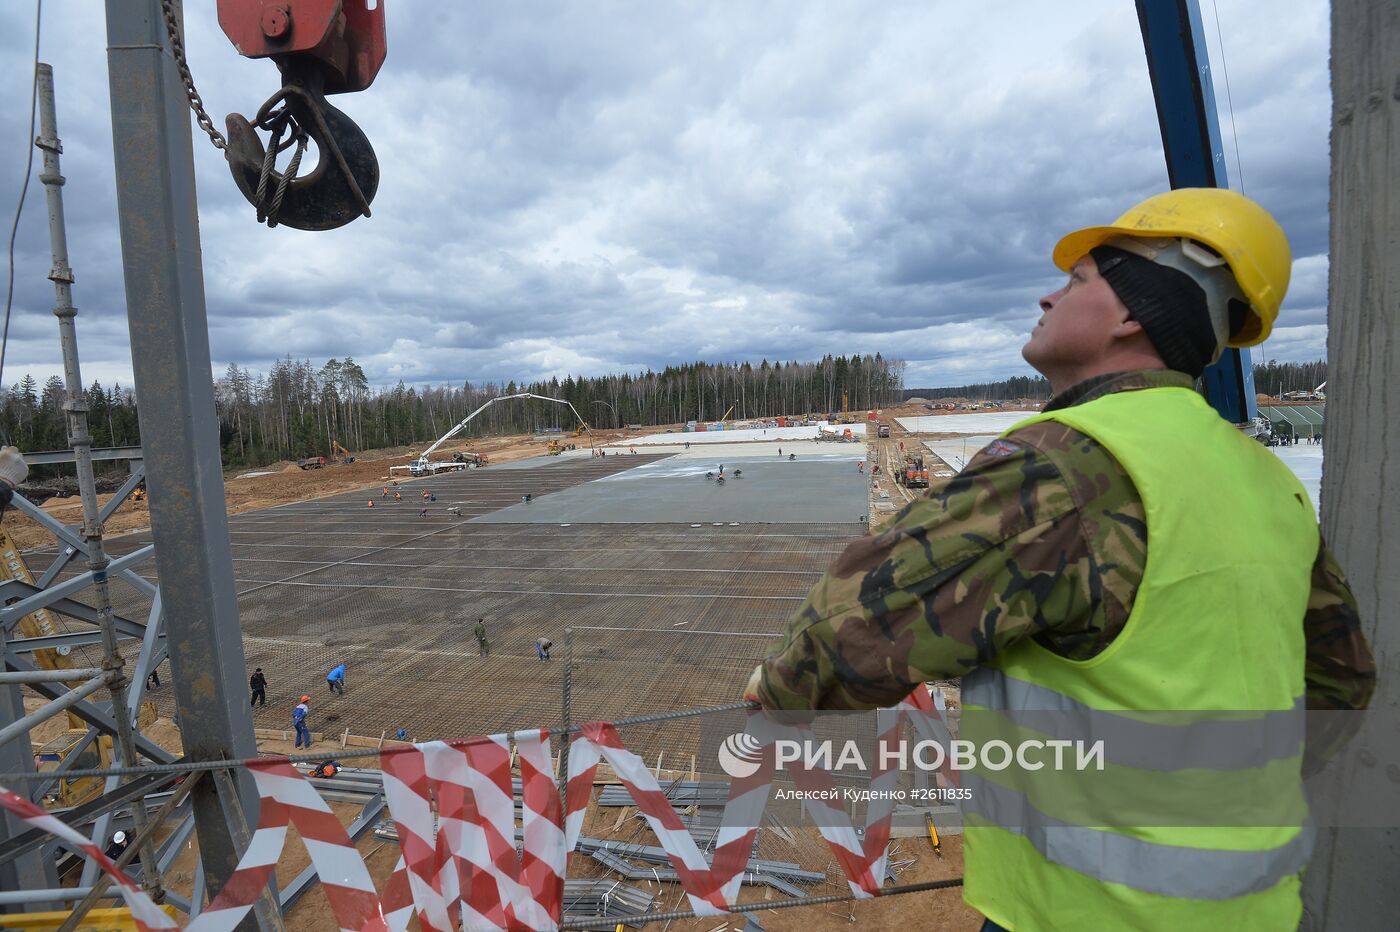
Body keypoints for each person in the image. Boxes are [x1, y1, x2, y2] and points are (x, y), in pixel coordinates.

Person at [744, 189, 1375, 931]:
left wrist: (775, 691)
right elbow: (1341, 680)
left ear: (1137, 311)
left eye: (1078, 280)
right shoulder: (1267, 481)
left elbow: (853, 630)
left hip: (1084, 912)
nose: (1048, 293)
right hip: (1257, 907)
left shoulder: (1068, 466)